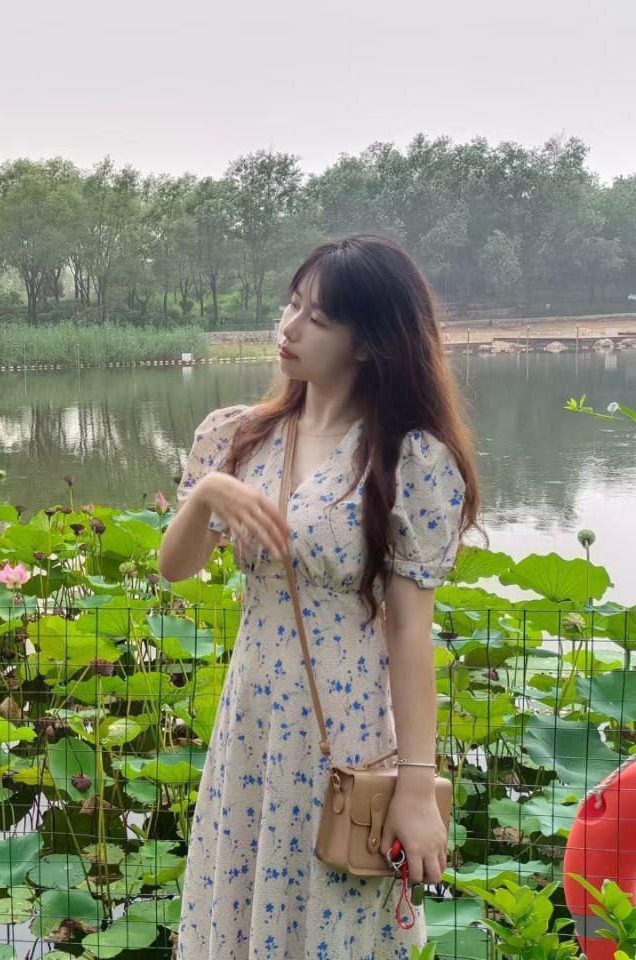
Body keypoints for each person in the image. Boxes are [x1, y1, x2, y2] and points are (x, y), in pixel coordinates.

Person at [159, 233, 486, 959]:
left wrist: (416, 785)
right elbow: (174, 568)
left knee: (332, 921)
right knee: (239, 911)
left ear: (368, 343)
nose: (289, 327)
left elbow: (410, 633)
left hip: (346, 735)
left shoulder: (407, 460)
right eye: (292, 305)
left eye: (318, 317)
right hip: (251, 721)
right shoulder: (239, 436)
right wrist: (208, 493)